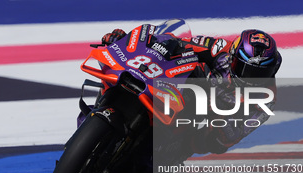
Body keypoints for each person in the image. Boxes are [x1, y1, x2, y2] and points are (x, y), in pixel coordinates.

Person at [101, 26, 282, 155]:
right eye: (245, 69)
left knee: (202, 144)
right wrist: (126, 41)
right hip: (183, 85)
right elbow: (175, 41)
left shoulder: (266, 99)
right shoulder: (219, 48)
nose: (249, 77)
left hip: (208, 115)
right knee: (126, 73)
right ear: (233, 55)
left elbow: (240, 129)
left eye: (260, 73)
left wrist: (218, 136)